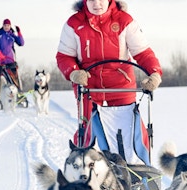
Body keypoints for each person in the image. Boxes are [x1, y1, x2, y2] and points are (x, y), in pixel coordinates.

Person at [56, 0, 162, 163]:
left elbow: (143, 53)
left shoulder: (124, 21)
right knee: (87, 131)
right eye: (91, 0)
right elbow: (64, 56)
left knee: (127, 132)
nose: (96, 4)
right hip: (88, 87)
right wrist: (73, 72)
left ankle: (132, 169)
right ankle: (83, 167)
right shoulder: (74, 24)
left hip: (121, 87)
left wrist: (154, 73)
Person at [0, 18, 25, 104]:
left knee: (15, 80)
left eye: (8, 25)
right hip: (1, 62)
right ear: (3, 26)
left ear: (10, 26)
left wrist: (19, 33)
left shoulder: (12, 35)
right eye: (5, 25)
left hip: (11, 61)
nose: (6, 27)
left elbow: (21, 43)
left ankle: (19, 97)